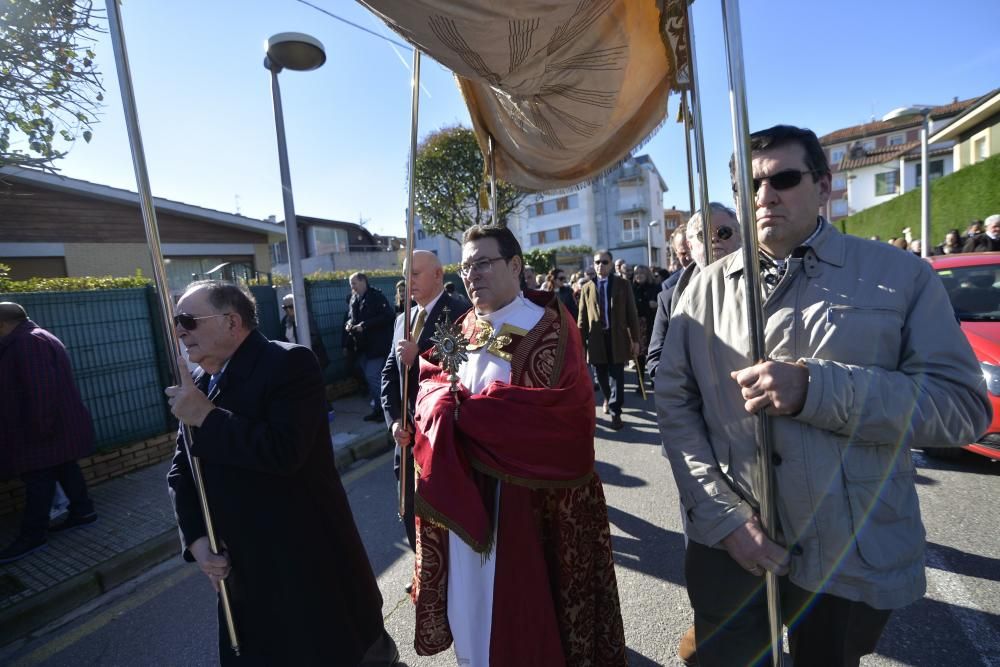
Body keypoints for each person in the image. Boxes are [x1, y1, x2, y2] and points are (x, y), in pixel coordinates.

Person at [655, 125, 991, 667]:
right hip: (730, 546)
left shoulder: (899, 276)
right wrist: (723, 519)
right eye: (749, 185)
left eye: (783, 179)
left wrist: (818, 388)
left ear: (825, 185)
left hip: (847, 549)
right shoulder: (701, 289)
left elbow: (961, 409)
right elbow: (674, 410)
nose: (764, 197)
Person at [409, 225, 626, 665]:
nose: (471, 275)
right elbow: (432, 381)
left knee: (525, 619)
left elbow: (564, 422)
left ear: (514, 265)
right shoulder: (464, 325)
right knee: (471, 612)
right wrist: (422, 421)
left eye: (482, 263)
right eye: (466, 266)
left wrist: (462, 417)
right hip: (465, 499)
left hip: (526, 507)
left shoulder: (550, 328)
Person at [164, 280, 396, 666]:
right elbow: (181, 474)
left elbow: (285, 451)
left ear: (231, 321)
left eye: (188, 319)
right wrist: (197, 540)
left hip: (304, 566)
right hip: (244, 574)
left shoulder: (289, 363)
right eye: (176, 321)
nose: (179, 331)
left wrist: (206, 417)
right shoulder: (200, 384)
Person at [381, 250, 468, 556]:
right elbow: (389, 375)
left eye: (415, 273)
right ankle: (421, 567)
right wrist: (393, 421)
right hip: (405, 437)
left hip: (440, 436)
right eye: (406, 274)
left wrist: (418, 357)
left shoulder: (460, 312)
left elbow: (460, 375)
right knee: (409, 505)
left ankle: (446, 572)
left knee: (443, 510)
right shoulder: (402, 318)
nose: (409, 281)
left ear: (438, 274)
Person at [0, 303, 98, 564]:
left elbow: (40, 389)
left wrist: (39, 431)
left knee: (38, 479)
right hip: (57, 426)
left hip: (42, 429)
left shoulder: (27, 343)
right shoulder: (37, 336)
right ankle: (83, 511)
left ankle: (33, 535)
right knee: (66, 467)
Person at [646, 203, 742, 384]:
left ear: (738, 237)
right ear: (690, 245)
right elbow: (656, 361)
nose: (714, 239)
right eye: (703, 235)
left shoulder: (762, 284)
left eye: (724, 232)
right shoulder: (670, 298)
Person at [578, 250, 641, 430]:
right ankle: (608, 398)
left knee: (617, 377)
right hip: (596, 340)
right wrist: (581, 345)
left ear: (611, 264)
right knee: (601, 377)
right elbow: (581, 320)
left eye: (604, 262)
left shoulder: (622, 284)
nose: (600, 265)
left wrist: (636, 340)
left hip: (617, 338)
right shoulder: (587, 288)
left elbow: (632, 314)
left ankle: (615, 413)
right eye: (597, 262)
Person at [344, 272, 394, 422]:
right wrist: (349, 325)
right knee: (370, 378)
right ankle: (378, 409)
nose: (352, 287)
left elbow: (388, 316)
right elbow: (351, 317)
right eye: (351, 284)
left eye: (354, 283)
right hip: (362, 346)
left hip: (377, 346)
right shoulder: (354, 298)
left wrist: (364, 326)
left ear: (363, 281)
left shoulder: (376, 296)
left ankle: (388, 410)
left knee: (373, 376)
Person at [277, 293, 329, 370]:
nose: (288, 310)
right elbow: (282, 339)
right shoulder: (285, 321)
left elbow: (314, 337)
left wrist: (301, 351)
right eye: (285, 307)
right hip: (295, 359)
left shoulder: (305, 317)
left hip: (310, 358)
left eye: (291, 307)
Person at [631, 265, 659, 391]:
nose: (639, 275)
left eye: (641, 273)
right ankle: (640, 382)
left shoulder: (655, 287)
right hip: (637, 325)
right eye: (636, 273)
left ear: (647, 274)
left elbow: (658, 304)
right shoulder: (632, 288)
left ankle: (655, 379)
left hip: (652, 323)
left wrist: (654, 304)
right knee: (639, 355)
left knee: (654, 353)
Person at [662, 227, 693, 293]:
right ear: (676, 252)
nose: (689, 257)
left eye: (691, 251)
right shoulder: (670, 285)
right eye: (683, 253)